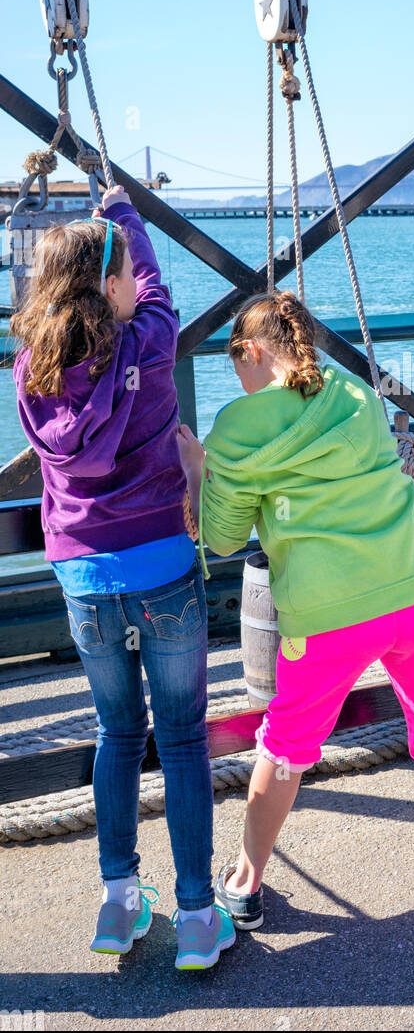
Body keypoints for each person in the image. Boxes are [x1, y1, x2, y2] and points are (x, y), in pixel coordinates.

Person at [179, 289, 414, 924]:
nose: (239, 378)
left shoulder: (236, 427)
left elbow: (225, 537)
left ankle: (246, 879)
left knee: (284, 745)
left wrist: (200, 470)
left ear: (253, 351)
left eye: (237, 364)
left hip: (327, 613)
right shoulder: (357, 394)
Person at [13, 186, 236, 969]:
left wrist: (107, 240)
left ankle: (116, 905)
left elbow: (124, 285)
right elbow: (155, 281)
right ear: (111, 286)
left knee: (116, 733)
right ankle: (200, 917)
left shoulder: (30, 368)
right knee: (180, 741)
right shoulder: (150, 337)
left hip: (83, 576)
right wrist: (126, 216)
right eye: (122, 278)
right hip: (163, 567)